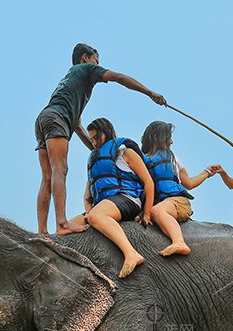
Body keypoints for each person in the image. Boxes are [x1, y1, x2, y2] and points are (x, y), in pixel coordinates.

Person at [35, 43, 166, 237]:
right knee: (60, 170)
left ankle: (42, 231)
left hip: (43, 118)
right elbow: (119, 78)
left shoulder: (70, 86)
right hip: (57, 118)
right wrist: (150, 93)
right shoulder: (86, 69)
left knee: (47, 177)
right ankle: (62, 223)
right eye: (97, 60)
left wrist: (101, 149)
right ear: (86, 58)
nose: (99, 65)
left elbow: (78, 127)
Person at [65, 117, 155, 278]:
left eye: (95, 138)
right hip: (105, 205)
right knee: (65, 228)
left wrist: (146, 213)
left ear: (106, 133)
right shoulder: (96, 161)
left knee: (97, 215)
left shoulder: (124, 152)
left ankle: (131, 253)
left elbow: (148, 182)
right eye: (90, 139)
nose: (93, 142)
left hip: (127, 199)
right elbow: (88, 196)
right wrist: (88, 215)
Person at [139, 120, 220, 257]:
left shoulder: (172, 158)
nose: (171, 141)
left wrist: (206, 172)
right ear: (156, 137)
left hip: (177, 202)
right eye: (169, 137)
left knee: (157, 211)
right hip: (157, 202)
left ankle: (179, 242)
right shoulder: (141, 160)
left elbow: (188, 183)